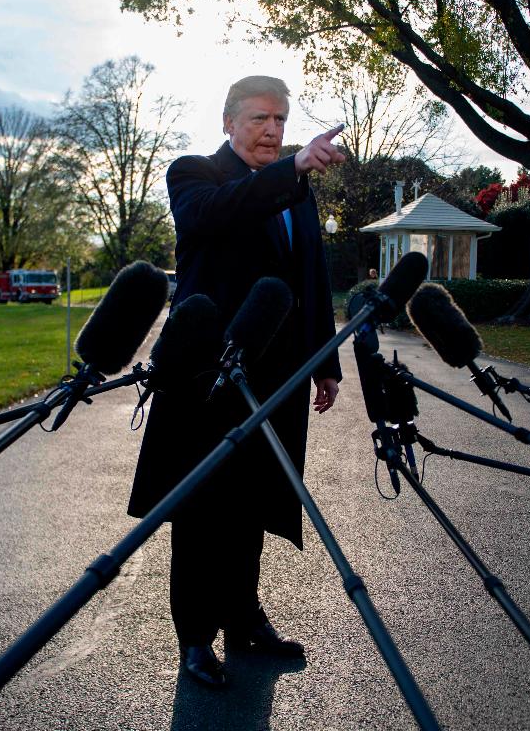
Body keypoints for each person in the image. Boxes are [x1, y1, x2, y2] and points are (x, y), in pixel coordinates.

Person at [127, 75, 346, 688]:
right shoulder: (194, 174)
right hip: (207, 374)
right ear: (229, 123)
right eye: (259, 119)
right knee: (201, 507)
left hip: (276, 376)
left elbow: (312, 276)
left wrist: (323, 361)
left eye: (281, 119)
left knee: (253, 502)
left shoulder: (296, 191)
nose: (273, 130)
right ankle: (194, 639)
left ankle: (243, 620)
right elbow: (218, 215)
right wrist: (294, 169)